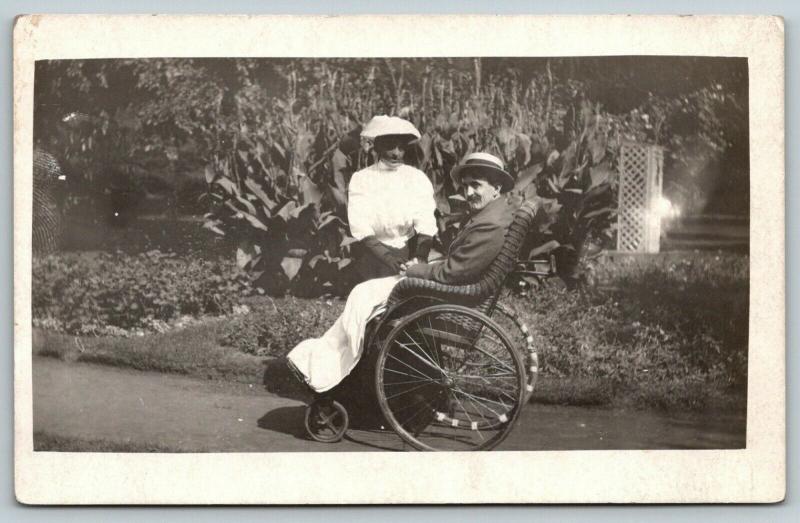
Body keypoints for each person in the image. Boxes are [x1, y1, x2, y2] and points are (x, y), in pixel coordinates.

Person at [285, 152, 517, 393]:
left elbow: (453, 273)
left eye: (476, 185)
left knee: (364, 296)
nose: (468, 193)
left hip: (446, 295)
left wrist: (416, 270)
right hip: (450, 289)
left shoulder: (488, 226)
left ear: (496, 187)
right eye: (466, 186)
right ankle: (325, 363)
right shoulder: (493, 215)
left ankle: (328, 373)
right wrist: (424, 268)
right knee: (364, 294)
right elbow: (461, 265)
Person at [347, 116, 438, 282]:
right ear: (378, 147)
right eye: (390, 147)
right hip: (374, 255)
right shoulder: (362, 179)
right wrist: (389, 259)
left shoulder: (416, 178)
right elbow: (361, 226)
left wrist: (420, 258)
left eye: (401, 148)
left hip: (408, 250)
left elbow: (426, 220)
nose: (396, 153)